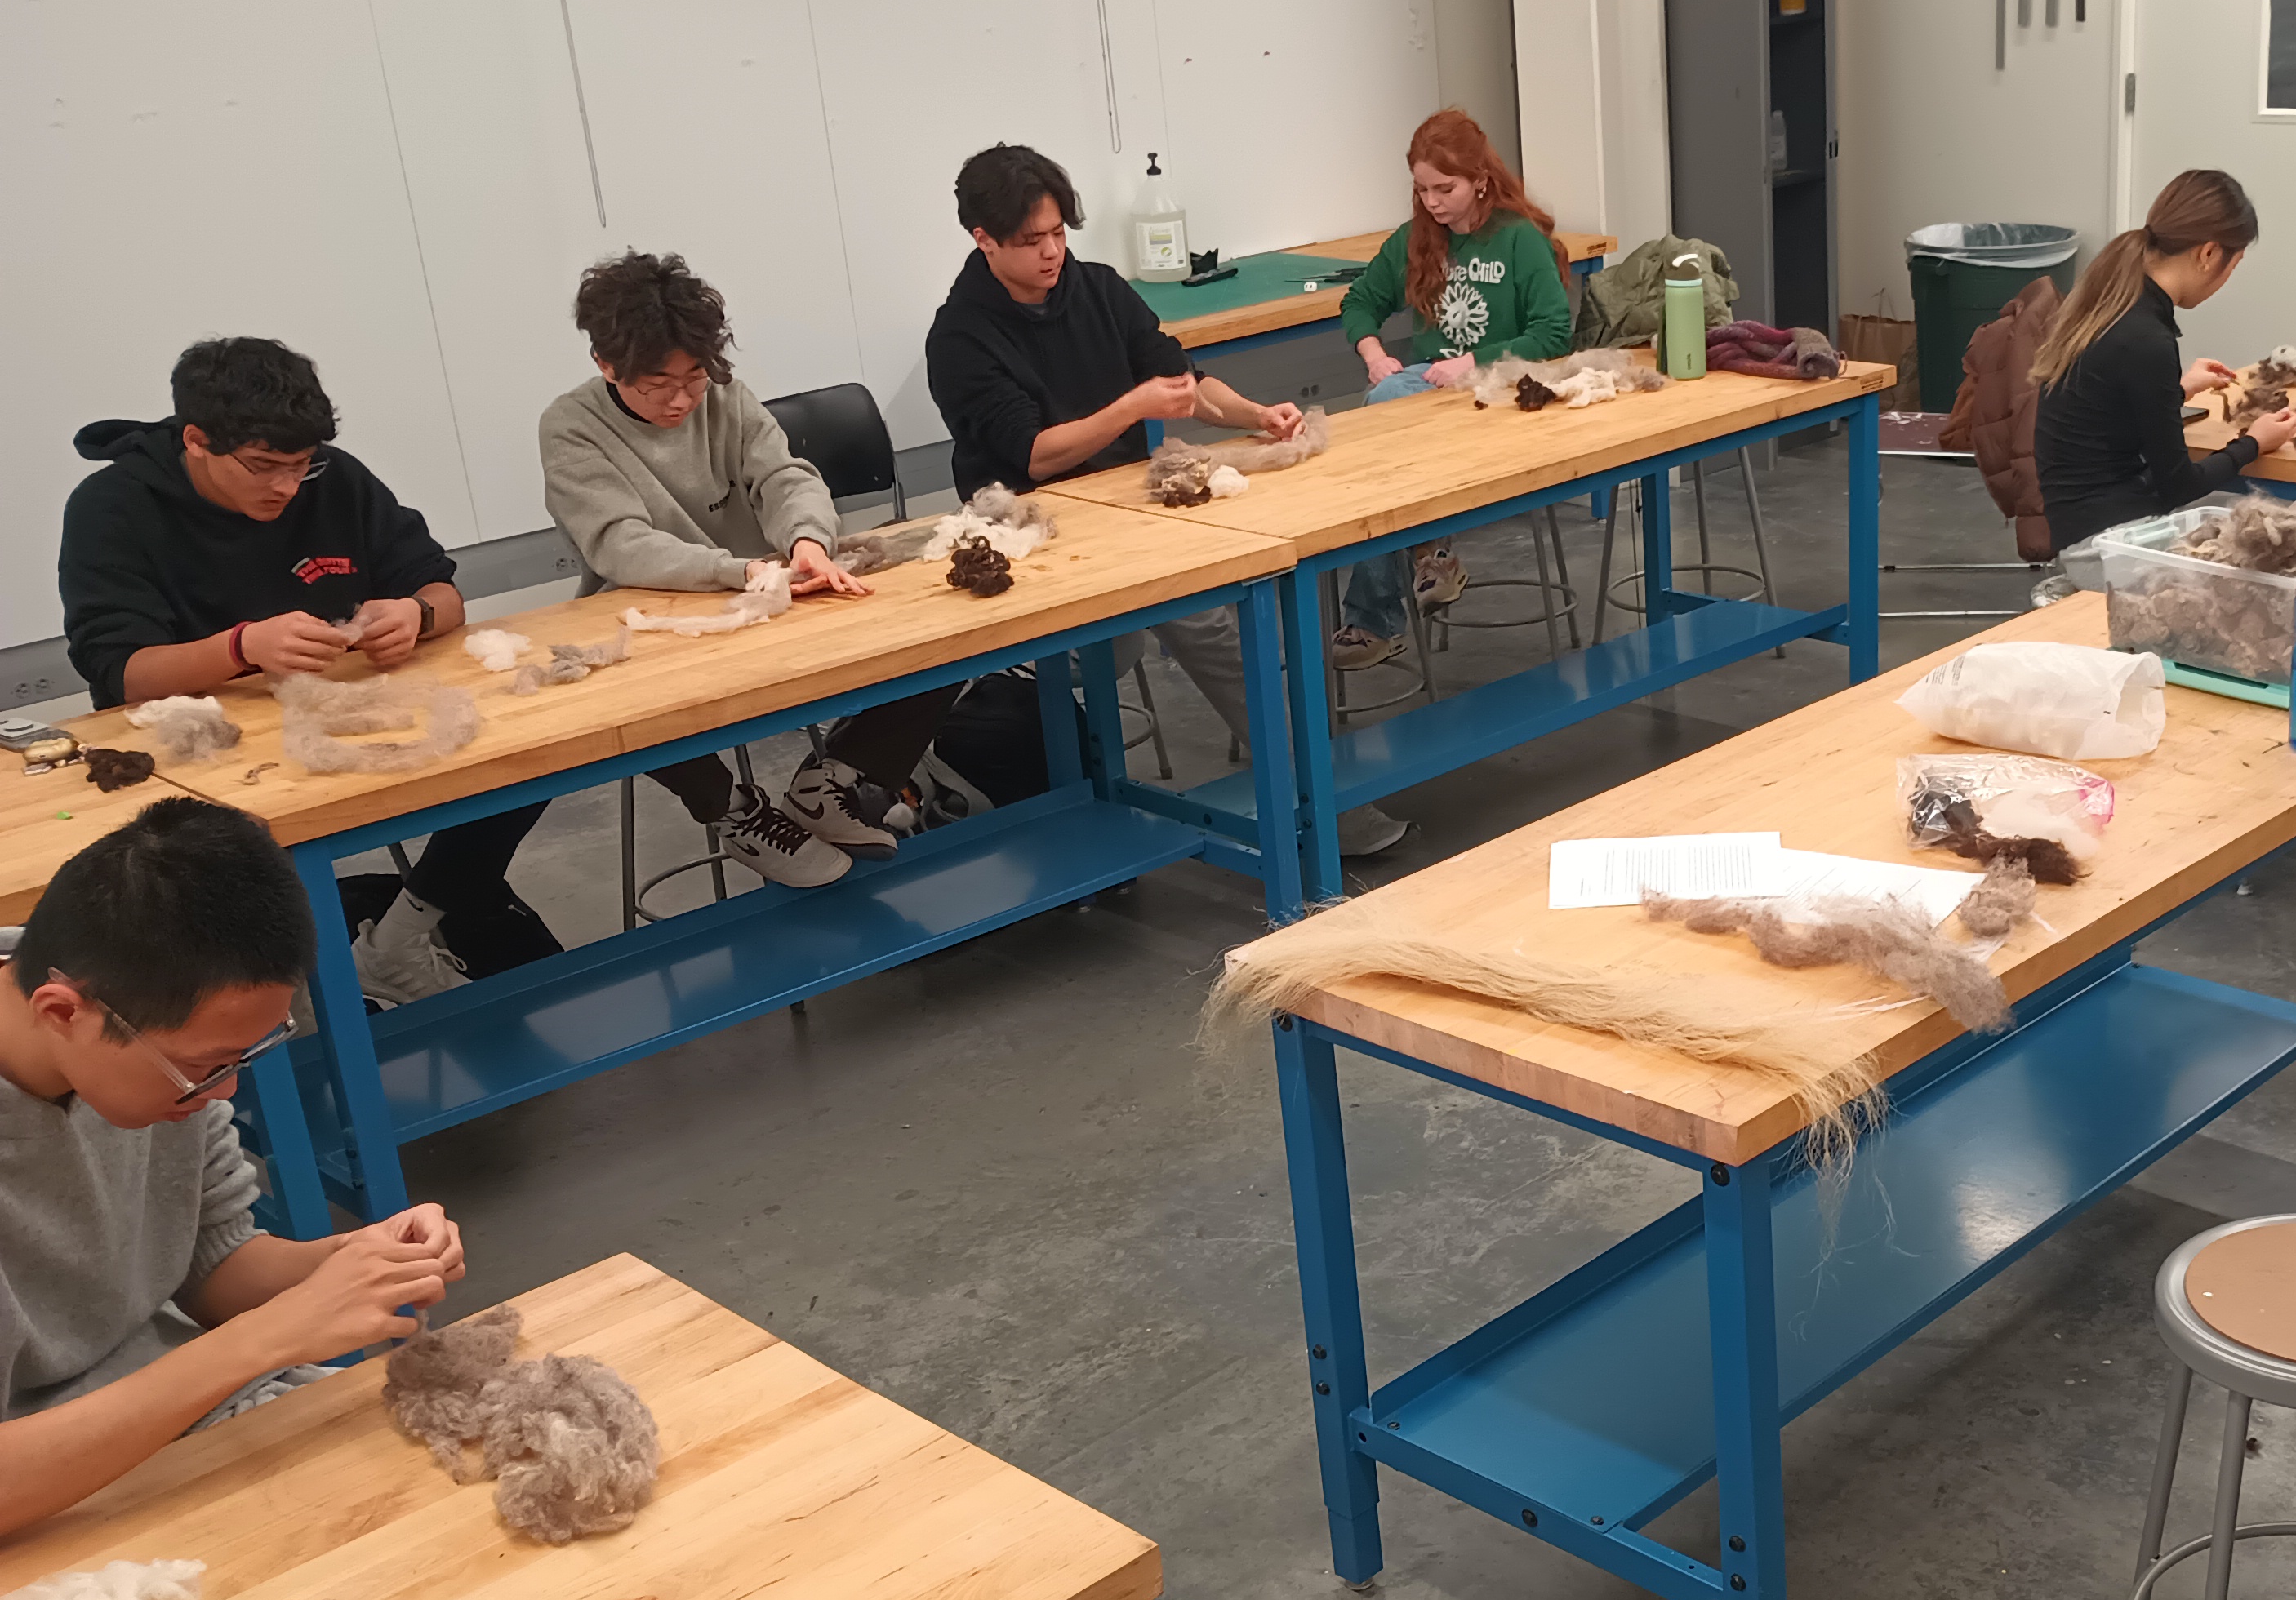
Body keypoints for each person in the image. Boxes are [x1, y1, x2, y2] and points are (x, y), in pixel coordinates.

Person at [0, 797, 465, 1540]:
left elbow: (211, 1261)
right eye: (202, 1067)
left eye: (243, 1057)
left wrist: (353, 1259)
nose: (224, 1093)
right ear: (62, 1013)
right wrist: (272, 1336)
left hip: (179, 1427)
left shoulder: (139, 1021)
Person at [924, 141, 1408, 856]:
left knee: (1230, 620)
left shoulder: (1096, 288)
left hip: (1134, 509)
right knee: (1130, 645)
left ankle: (1315, 799)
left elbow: (1178, 376)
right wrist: (1132, 408)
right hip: (1034, 533)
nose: (1052, 253)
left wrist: (1253, 415)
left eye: (1060, 233)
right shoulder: (960, 336)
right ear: (984, 240)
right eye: (1032, 242)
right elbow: (1034, 453)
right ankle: (1022, 756)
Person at [60, 337, 553, 1006]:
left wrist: (414, 614)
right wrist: (239, 648)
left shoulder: (336, 478)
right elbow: (122, 674)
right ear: (197, 440)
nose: (288, 488)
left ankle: (400, 937)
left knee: (529, 756)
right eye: (264, 467)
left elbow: (443, 593)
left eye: (301, 467)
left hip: (348, 726)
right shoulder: (113, 508)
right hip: (208, 760)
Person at [543, 251, 985, 890]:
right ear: (605, 365)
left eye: (693, 377)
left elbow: (783, 476)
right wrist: (741, 570)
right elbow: (620, 544)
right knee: (630, 707)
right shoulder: (571, 428)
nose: (681, 399)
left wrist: (807, 541)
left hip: (770, 589)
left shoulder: (724, 395)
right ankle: (736, 812)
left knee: (950, 630)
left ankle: (835, 781)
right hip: (653, 614)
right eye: (656, 384)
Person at [1329, 110, 1576, 669]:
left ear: (1480, 180)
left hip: (1508, 392)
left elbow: (1554, 333)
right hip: (1431, 398)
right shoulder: (1418, 239)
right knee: (1385, 418)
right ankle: (1430, 553)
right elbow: (1359, 302)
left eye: (1446, 188)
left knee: (1380, 425)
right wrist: (1375, 353)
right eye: (1422, 190)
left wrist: (1472, 360)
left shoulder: (1518, 240)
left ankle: (1378, 615)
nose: (1434, 202)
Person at [2029, 168, 2296, 557]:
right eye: (2234, 263)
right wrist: (2254, 443)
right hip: (2105, 547)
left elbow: (2105, 414)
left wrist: (2179, 390)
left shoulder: (2112, 298)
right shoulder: (2147, 340)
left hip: (2078, 526)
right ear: (2208, 254)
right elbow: (2179, 485)